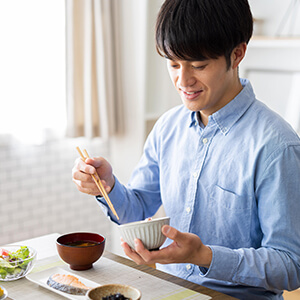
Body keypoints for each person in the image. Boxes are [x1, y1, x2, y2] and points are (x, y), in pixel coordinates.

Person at [72, 0, 300, 299]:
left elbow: (290, 266)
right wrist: (107, 186)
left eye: (199, 65)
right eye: (173, 64)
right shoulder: (168, 127)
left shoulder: (276, 146)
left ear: (237, 53)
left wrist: (204, 256)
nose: (183, 81)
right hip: (166, 289)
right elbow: (138, 209)